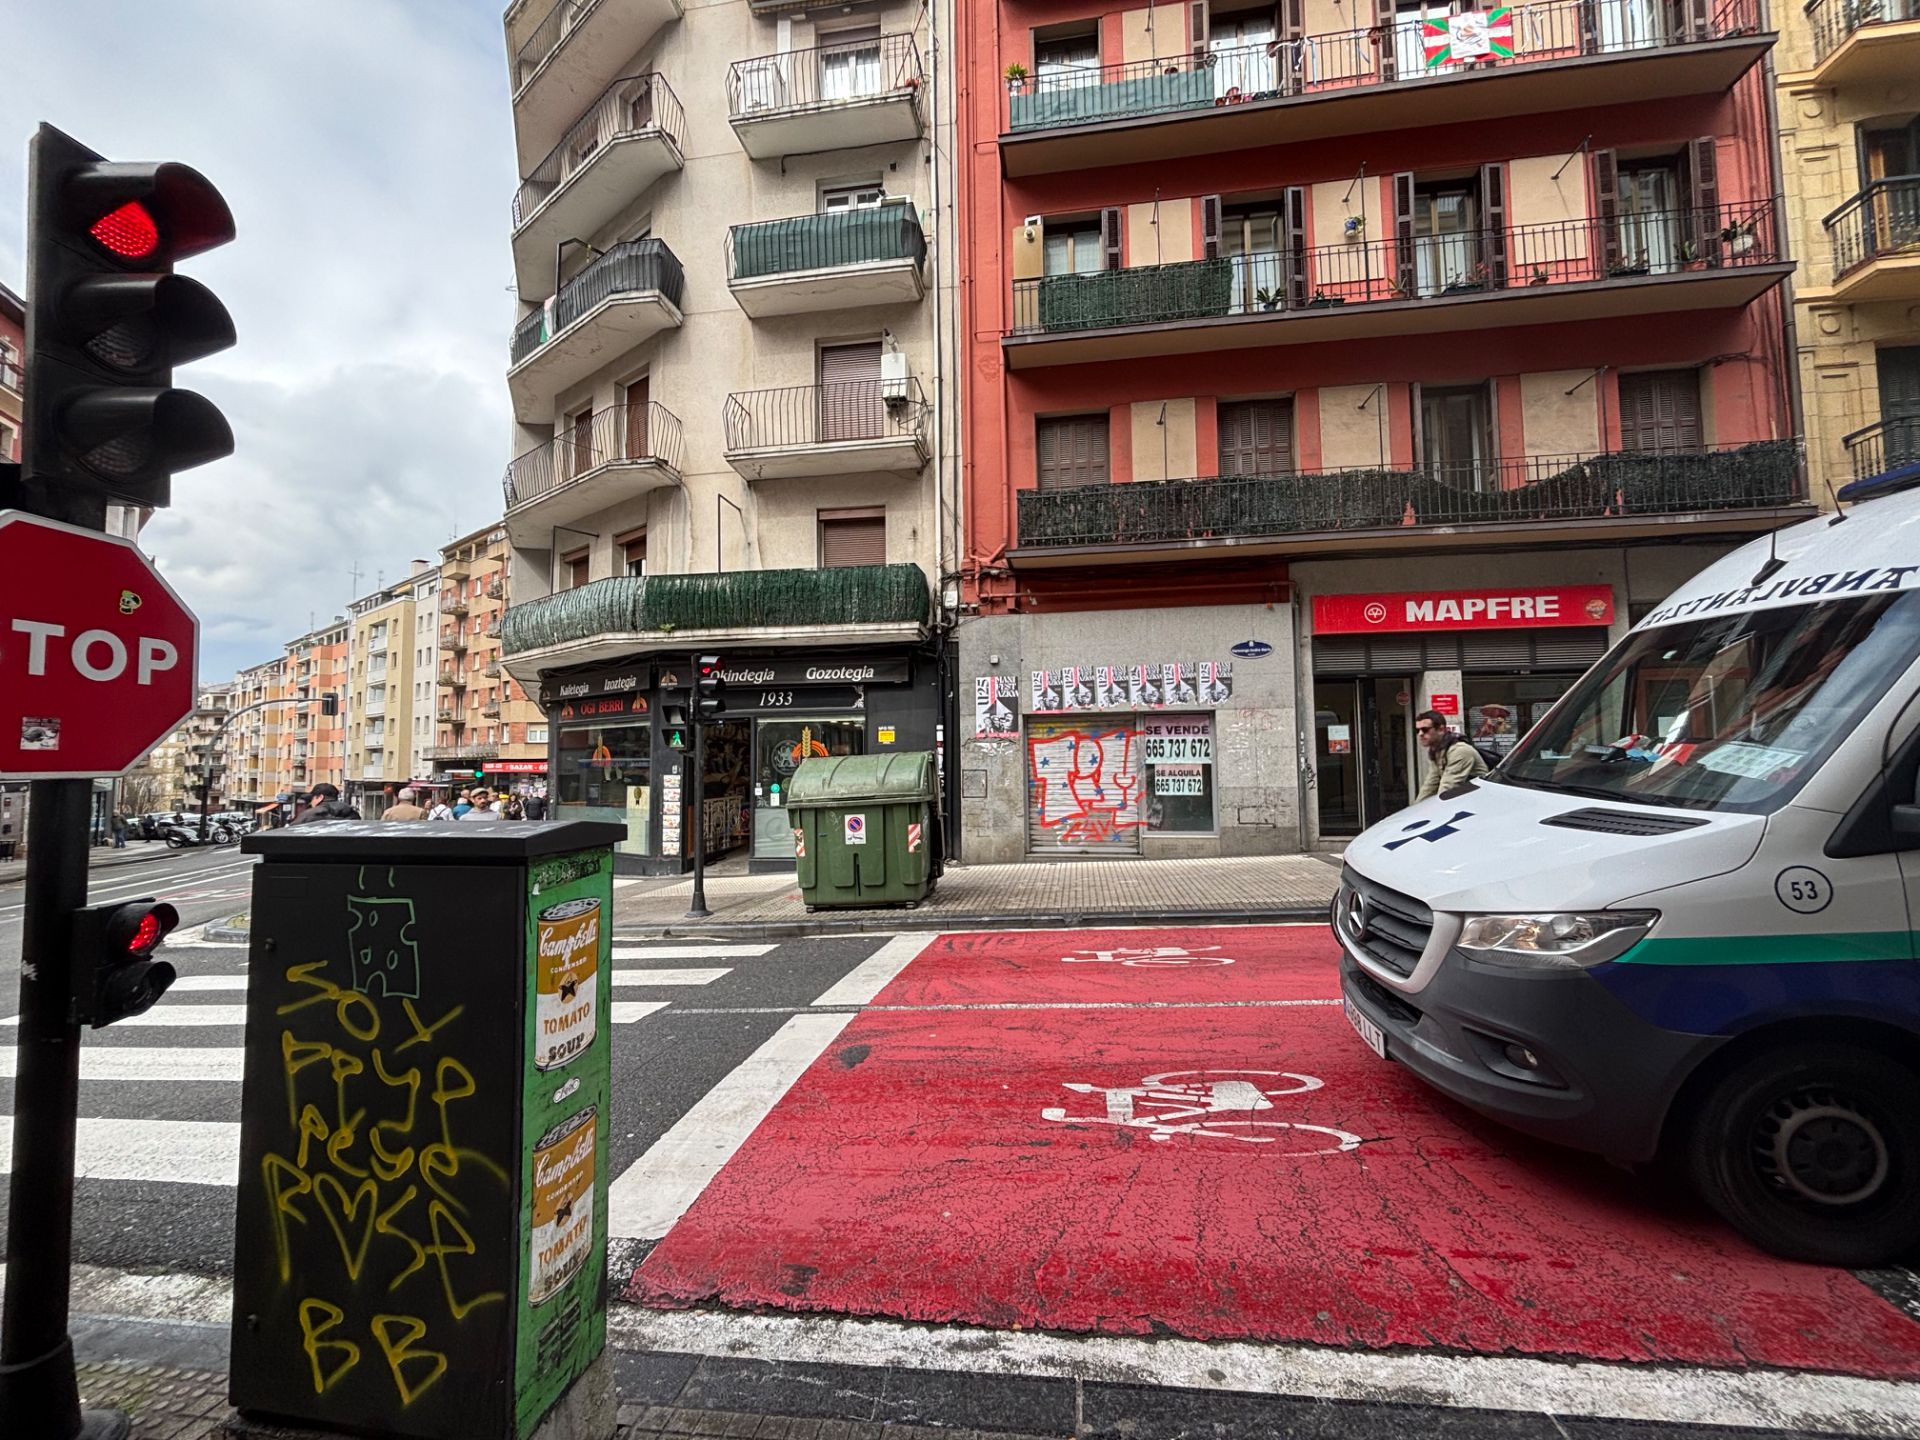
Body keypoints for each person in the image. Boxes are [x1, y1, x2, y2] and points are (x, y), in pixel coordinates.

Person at [1413, 709, 1489, 803]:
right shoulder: (1437, 750)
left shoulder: (1460, 751)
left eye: (1425, 730)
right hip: (1466, 800)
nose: (1420, 734)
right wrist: (1415, 808)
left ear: (1441, 729)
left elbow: (1448, 787)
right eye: (1417, 730)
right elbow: (1431, 784)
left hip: (1480, 801)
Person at [291, 782, 362, 825]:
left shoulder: (310, 815)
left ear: (320, 797)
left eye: (312, 798)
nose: (311, 802)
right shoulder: (352, 814)